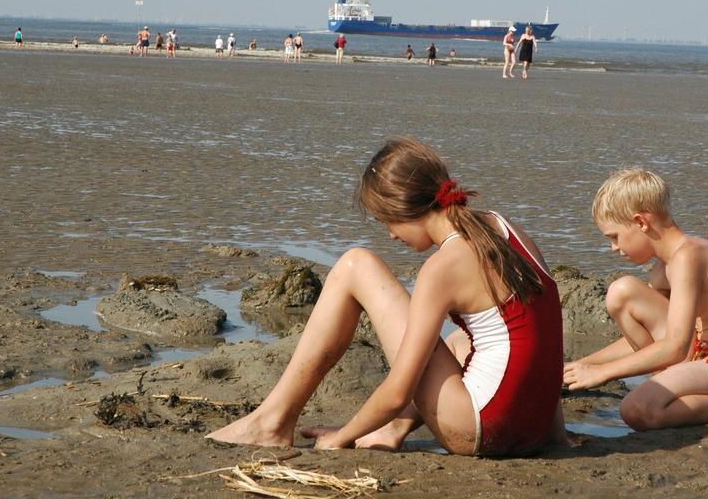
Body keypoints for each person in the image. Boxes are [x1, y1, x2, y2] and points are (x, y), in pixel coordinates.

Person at [206, 138, 567, 456]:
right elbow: (543, 335)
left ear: (402, 210)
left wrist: (342, 437)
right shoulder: (502, 227)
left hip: (482, 429)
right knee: (461, 341)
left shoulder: (442, 268)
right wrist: (555, 435)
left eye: (386, 223)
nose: (392, 236)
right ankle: (393, 429)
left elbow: (398, 391)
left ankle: (272, 422)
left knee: (354, 265)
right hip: (534, 429)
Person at [563, 169, 708, 430]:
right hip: (700, 352)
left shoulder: (689, 256)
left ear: (641, 222)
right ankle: (669, 385)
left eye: (614, 237)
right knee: (623, 293)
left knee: (637, 410)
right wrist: (584, 364)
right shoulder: (662, 268)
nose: (614, 248)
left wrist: (605, 372)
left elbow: (675, 346)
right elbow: (657, 340)